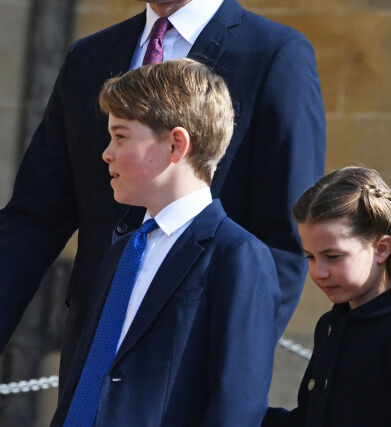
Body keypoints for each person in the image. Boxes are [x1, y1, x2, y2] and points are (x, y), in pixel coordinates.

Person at [0, 0, 325, 403]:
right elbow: (34, 215)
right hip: (88, 374)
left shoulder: (274, 59)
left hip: (188, 384)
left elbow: (286, 245)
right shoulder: (90, 59)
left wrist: (223, 366)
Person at [48, 58, 280, 426]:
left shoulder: (238, 255)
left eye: (120, 136)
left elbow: (236, 403)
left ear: (176, 144)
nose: (106, 152)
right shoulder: (124, 251)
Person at [263, 167, 391, 427]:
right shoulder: (331, 325)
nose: (318, 272)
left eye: (333, 257)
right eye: (310, 257)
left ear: (381, 249)